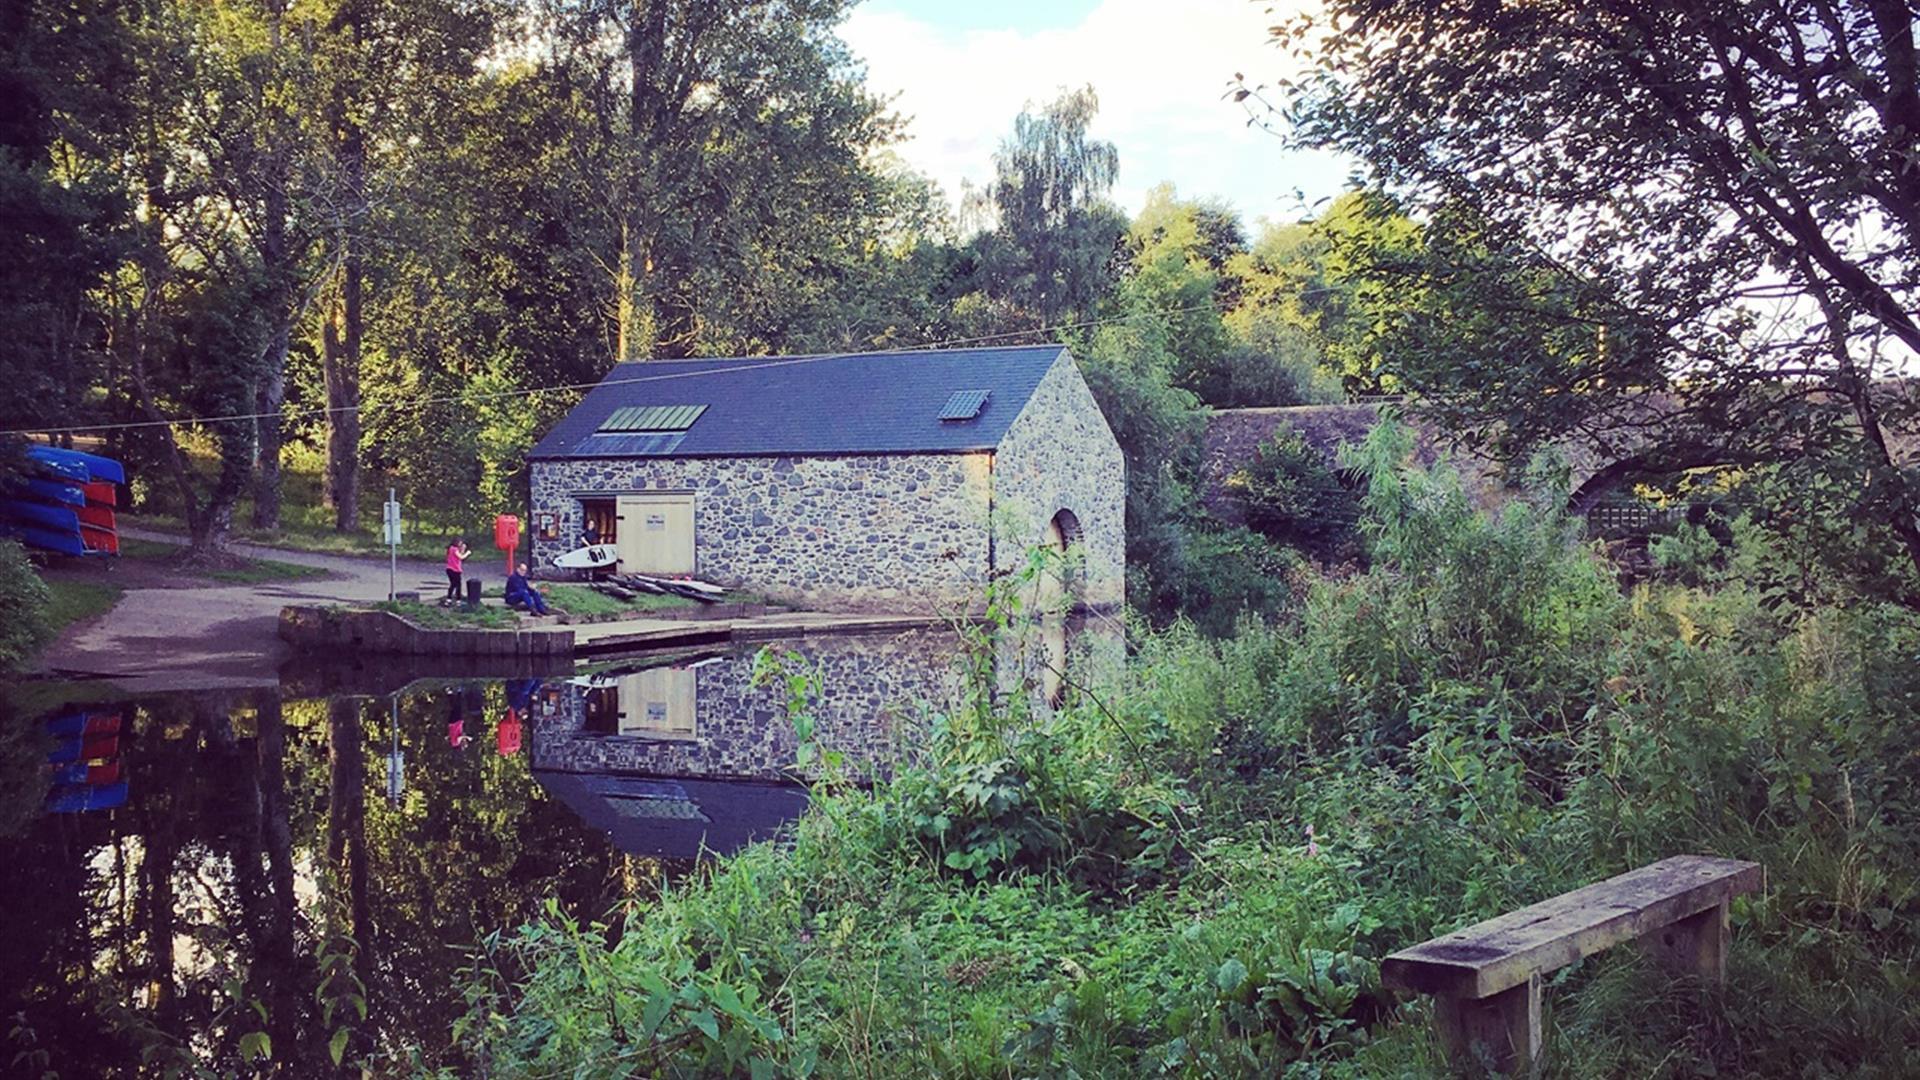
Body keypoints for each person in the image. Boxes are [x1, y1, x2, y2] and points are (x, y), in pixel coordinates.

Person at [445, 537, 470, 602]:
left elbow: (459, 555)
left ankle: (450, 598)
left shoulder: (451, 548)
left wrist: (463, 549)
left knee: (454, 584)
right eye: (460, 543)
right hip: (454, 570)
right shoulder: (454, 549)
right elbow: (461, 557)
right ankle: (456, 599)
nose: (460, 544)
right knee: (456, 585)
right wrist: (467, 553)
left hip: (450, 569)